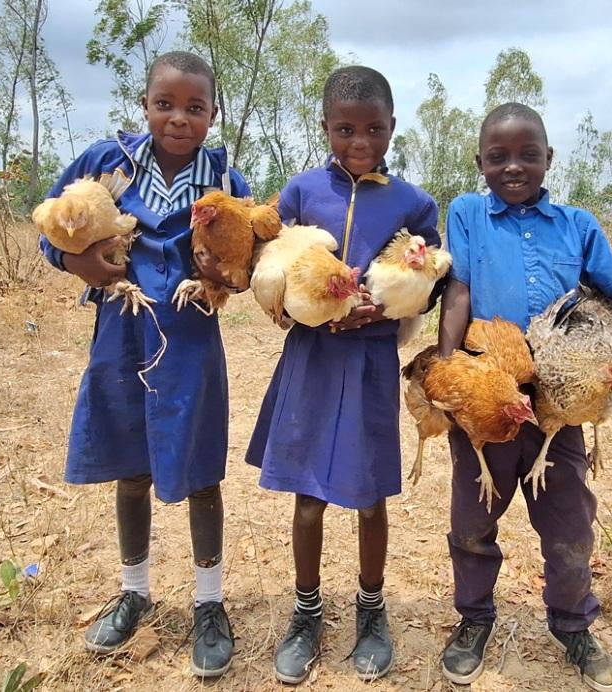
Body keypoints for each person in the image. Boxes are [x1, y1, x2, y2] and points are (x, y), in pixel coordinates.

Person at [38, 51, 248, 678]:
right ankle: (134, 591)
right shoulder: (108, 164)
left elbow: (249, 261)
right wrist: (76, 262)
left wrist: (225, 276)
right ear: (144, 106)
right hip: (121, 331)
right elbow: (54, 226)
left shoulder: (224, 180)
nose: (179, 118)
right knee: (130, 464)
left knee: (201, 466)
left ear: (212, 114)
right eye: (165, 104)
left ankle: (209, 603)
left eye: (194, 108)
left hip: (191, 335)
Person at [245, 65, 441, 684]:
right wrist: (295, 307)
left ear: (392, 126)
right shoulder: (302, 192)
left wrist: (386, 306)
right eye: (345, 129)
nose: (361, 142)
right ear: (326, 126)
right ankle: (306, 611)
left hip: (371, 360)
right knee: (307, 494)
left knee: (368, 493)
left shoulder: (413, 203)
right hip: (311, 357)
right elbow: (269, 260)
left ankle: (371, 609)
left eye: (374, 129)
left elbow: (432, 277)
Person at [436, 102, 612, 692]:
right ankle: (474, 619)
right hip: (489, 397)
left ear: (549, 158)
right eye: (498, 157)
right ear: (480, 162)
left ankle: (573, 626)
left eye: (528, 155)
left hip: (555, 408)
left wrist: (603, 367)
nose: (513, 166)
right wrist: (447, 367)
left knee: (569, 522)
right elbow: (459, 292)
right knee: (473, 520)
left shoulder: (578, 225)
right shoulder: (468, 214)